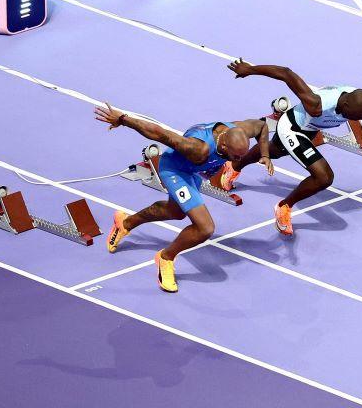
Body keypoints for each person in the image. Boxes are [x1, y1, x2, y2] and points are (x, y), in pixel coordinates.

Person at [98, 103, 266, 293]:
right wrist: (123, 119)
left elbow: (262, 126)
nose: (237, 160)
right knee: (205, 228)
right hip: (174, 170)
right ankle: (166, 257)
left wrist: (266, 154)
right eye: (235, 156)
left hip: (192, 171)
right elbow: (159, 133)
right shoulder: (199, 148)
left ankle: (125, 222)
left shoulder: (239, 131)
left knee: (174, 212)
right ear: (224, 144)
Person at [221, 60, 362, 236]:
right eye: (352, 117)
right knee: (324, 177)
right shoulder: (317, 104)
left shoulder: (359, 102)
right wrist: (250, 69)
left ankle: (233, 167)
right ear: (345, 105)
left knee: (274, 151)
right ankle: (284, 206)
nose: (353, 120)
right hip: (292, 128)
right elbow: (286, 73)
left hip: (310, 129)